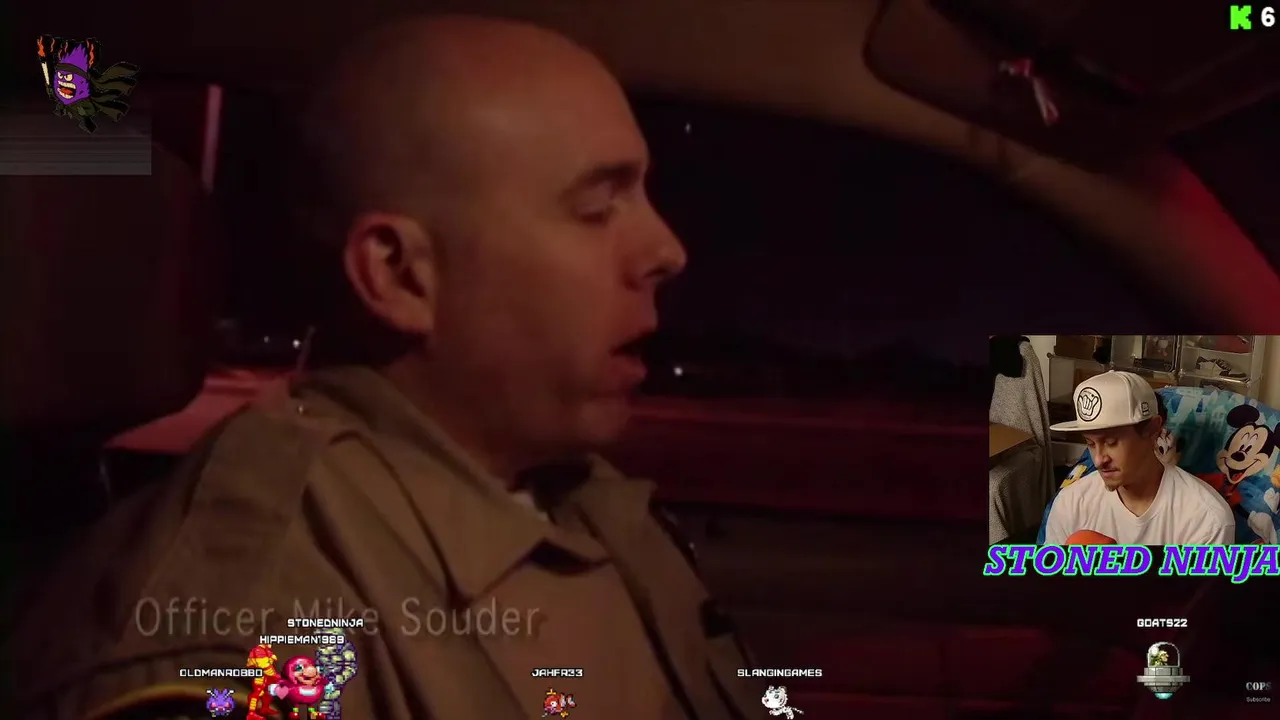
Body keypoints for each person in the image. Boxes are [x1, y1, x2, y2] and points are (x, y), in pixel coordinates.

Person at [13, 16, 760, 720]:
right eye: (597, 207)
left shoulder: (584, 500)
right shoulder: (253, 618)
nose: (667, 251)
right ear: (401, 275)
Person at [1044, 370, 1234, 545]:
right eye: (1091, 443)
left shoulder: (1207, 519)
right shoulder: (1070, 504)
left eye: (1111, 442)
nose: (1098, 460)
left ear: (1153, 430)